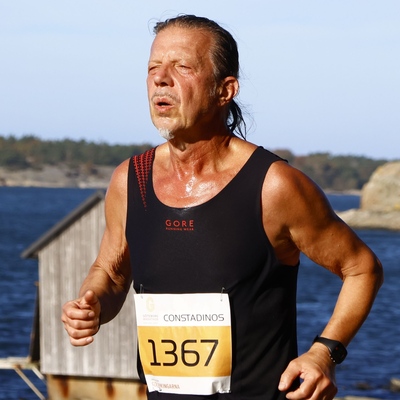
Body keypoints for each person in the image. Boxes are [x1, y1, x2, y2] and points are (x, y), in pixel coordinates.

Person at [62, 15, 383, 400]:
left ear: (224, 90)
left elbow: (361, 268)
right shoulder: (130, 181)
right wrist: (92, 304)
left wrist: (324, 353)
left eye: (182, 67)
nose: (161, 78)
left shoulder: (273, 186)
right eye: (153, 68)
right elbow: (112, 272)